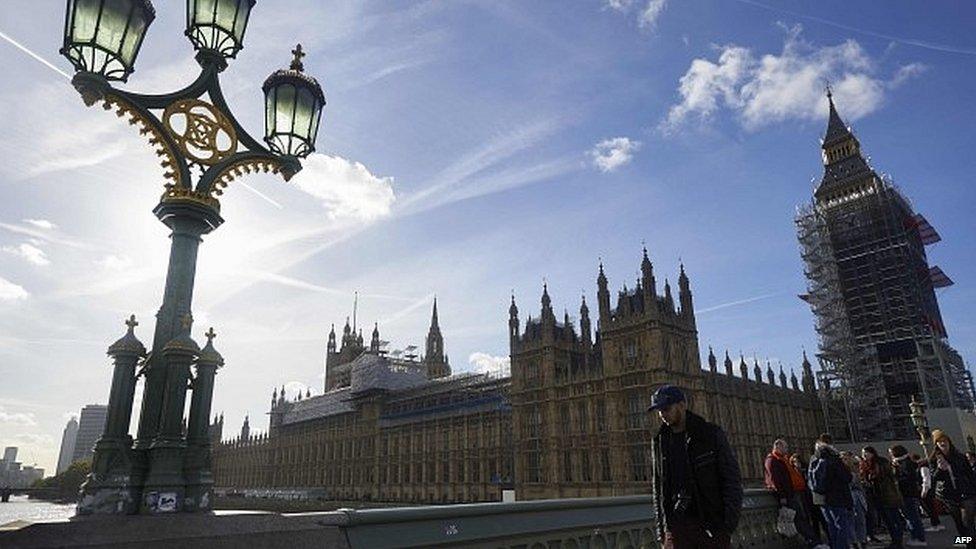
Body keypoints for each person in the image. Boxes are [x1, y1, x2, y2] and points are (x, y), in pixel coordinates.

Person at [648, 385, 743, 548]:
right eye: (659, 410)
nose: (662, 414)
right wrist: (663, 532)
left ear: (682, 405)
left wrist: (726, 526)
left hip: (711, 527)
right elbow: (659, 489)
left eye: (666, 408)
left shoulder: (709, 434)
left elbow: (732, 479)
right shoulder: (659, 442)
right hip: (678, 530)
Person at [765, 439, 826, 548]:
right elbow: (775, 480)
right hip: (787, 496)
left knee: (801, 519)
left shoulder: (782, 459)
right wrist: (782, 496)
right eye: (785, 447)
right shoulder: (773, 460)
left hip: (794, 493)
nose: (787, 450)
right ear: (778, 446)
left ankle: (812, 542)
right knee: (799, 520)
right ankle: (814, 543)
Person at [930, 430, 976, 549]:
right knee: (959, 524)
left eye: (944, 440)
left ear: (949, 441)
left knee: (968, 523)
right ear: (936, 444)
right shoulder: (934, 459)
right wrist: (940, 469)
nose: (942, 443)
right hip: (948, 496)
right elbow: (933, 479)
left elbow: (970, 474)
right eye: (939, 442)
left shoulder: (960, 456)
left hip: (966, 493)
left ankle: (971, 544)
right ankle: (965, 543)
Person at [809, 434, 853, 549]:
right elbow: (847, 478)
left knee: (831, 526)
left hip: (821, 498)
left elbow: (810, 480)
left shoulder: (813, 459)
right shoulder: (833, 459)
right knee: (841, 526)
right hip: (837, 497)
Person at [860, 446, 904, 549]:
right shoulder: (866, 465)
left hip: (886, 494)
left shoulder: (880, 462)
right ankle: (895, 540)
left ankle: (897, 541)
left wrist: (872, 477)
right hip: (877, 496)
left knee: (893, 519)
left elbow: (884, 476)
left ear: (872, 453)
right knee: (888, 520)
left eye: (866, 453)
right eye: (863, 454)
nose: (864, 456)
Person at [889, 445, 926, 546]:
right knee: (912, 516)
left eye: (891, 453)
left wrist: (897, 474)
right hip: (910, 493)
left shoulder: (905, 464)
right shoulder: (907, 462)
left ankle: (918, 538)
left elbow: (907, 478)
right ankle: (919, 537)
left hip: (907, 493)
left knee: (911, 517)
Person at [795, 453, 830, 546]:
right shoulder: (796, 473)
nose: (796, 464)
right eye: (794, 462)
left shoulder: (807, 471)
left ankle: (828, 538)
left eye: (797, 462)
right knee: (813, 520)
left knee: (822, 519)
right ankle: (817, 539)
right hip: (806, 500)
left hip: (814, 497)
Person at [841, 452, 868, 549]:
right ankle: (854, 541)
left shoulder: (855, 470)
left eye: (847, 459)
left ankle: (862, 539)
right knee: (850, 520)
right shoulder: (842, 471)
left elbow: (859, 486)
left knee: (860, 520)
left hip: (856, 496)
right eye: (844, 459)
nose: (846, 461)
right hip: (848, 496)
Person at [913, 453, 943, 531]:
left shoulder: (922, 468)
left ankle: (935, 524)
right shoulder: (922, 467)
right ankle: (937, 523)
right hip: (927, 490)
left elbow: (926, 479)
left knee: (929, 508)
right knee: (931, 507)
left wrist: (924, 491)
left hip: (926, 491)